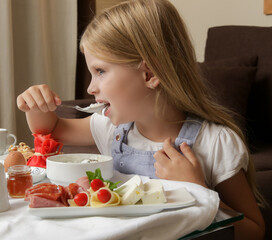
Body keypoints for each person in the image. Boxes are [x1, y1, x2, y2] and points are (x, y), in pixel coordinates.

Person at [17, 0, 265, 238]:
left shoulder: (215, 143)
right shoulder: (111, 128)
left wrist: (198, 190)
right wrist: (36, 105)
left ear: (149, 74)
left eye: (100, 71)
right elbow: (52, 128)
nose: (91, 88)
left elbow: (254, 230)